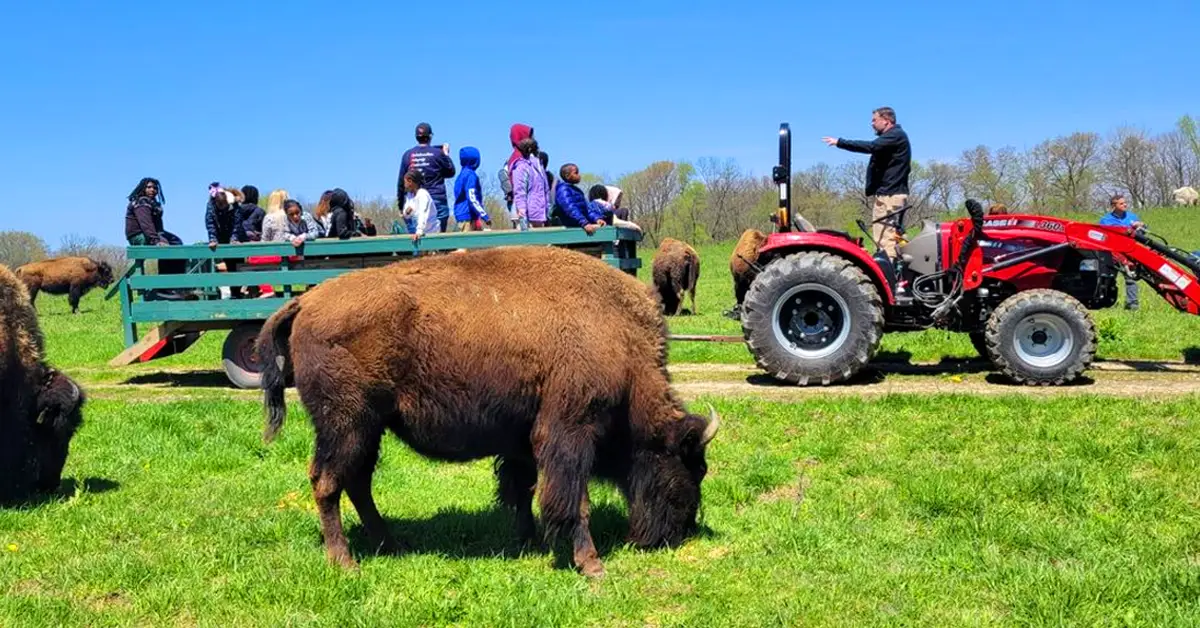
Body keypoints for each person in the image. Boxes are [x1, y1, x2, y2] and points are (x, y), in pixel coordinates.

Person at [822, 106, 911, 258]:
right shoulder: (894, 137)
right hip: (889, 194)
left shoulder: (895, 135)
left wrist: (840, 142)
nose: (872, 124)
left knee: (885, 240)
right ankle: (896, 272)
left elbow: (871, 146)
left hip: (890, 197)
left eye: (874, 120)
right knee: (892, 237)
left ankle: (889, 277)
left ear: (886, 120)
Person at [124, 177, 189, 299]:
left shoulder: (154, 204)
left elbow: (158, 228)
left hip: (153, 233)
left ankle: (175, 285)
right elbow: (146, 224)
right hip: (138, 235)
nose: (152, 190)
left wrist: (162, 237)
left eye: (155, 188)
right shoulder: (141, 202)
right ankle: (164, 287)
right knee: (166, 249)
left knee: (177, 243)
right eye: (149, 187)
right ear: (143, 188)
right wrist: (157, 241)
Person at [398, 123, 456, 232]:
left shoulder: (408, 155)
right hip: (437, 199)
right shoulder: (438, 154)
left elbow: (401, 181)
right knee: (438, 242)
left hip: (415, 202)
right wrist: (446, 154)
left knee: (417, 241)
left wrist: (401, 205)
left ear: (416, 137)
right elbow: (451, 172)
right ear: (430, 137)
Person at [1100, 194, 1145, 311]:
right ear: (1114, 206)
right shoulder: (1105, 220)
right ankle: (1105, 303)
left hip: (1129, 253)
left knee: (1130, 278)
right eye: (1121, 203)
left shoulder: (1132, 217)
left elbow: (1143, 234)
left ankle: (1132, 304)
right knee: (1109, 278)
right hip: (1112, 254)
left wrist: (1140, 226)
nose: (1125, 205)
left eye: (1125, 203)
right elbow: (1102, 237)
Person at [554, 164, 606, 234]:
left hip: (581, 225)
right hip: (571, 228)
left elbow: (587, 209)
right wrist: (584, 223)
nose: (579, 175)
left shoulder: (577, 191)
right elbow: (571, 209)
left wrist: (597, 219)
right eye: (576, 173)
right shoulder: (563, 190)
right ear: (567, 176)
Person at [511, 138, 550, 229]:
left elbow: (545, 189)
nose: (538, 150)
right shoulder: (521, 167)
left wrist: (547, 208)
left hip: (539, 213)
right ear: (529, 150)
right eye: (536, 148)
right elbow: (520, 191)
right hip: (527, 215)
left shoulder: (539, 166)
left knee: (540, 242)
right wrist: (522, 212)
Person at [453, 146, 492, 231]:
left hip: (463, 216)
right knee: (469, 244)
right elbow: (471, 197)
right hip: (467, 219)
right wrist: (484, 215)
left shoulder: (461, 176)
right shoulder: (470, 176)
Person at [501, 123, 534, 218]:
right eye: (529, 137)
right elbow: (519, 186)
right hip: (523, 208)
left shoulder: (524, 157)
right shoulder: (518, 158)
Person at [402, 170, 440, 242]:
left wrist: (419, 231)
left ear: (410, 181)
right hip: (419, 232)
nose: (404, 185)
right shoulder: (409, 196)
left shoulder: (423, 194)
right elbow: (406, 215)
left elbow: (423, 214)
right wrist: (406, 212)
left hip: (431, 232)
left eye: (405, 182)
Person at [204, 182, 236, 249]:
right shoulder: (211, 207)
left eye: (225, 206)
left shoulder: (233, 203)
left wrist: (234, 238)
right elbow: (210, 224)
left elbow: (236, 223)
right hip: (219, 233)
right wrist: (213, 239)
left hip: (230, 230)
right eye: (221, 206)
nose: (223, 209)